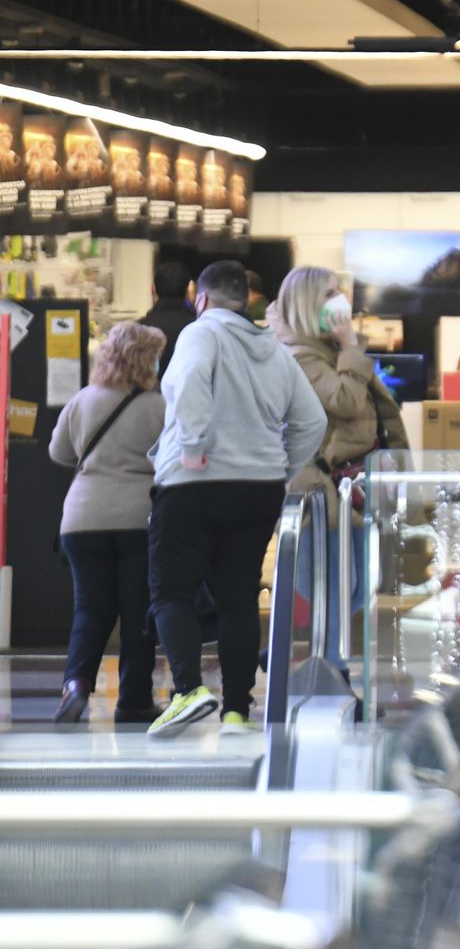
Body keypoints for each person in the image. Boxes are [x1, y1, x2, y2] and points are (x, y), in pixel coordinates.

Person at [145, 261, 328, 737]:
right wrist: (281, 467)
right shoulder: (275, 350)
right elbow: (312, 421)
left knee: (170, 591)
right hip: (258, 489)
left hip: (193, 485)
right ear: (247, 300)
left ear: (199, 298)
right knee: (238, 600)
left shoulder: (200, 334)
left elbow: (187, 386)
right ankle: (236, 710)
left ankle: (187, 690)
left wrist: (192, 448)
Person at [267, 266, 409, 660]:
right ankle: (333, 672)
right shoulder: (299, 355)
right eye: (330, 293)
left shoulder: (327, 350)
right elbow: (345, 401)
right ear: (310, 302)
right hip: (322, 491)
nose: (340, 300)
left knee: (358, 584)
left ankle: (328, 662)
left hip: (353, 489)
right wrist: (351, 343)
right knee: (332, 588)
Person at [47, 322, 168, 725]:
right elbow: (170, 458)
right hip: (138, 518)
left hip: (82, 518)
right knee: (138, 613)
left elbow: (59, 453)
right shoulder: (159, 405)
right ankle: (133, 700)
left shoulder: (82, 400)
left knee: (90, 609)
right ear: (147, 359)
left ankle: (76, 685)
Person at [140, 261, 194, 377]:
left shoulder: (138, 329)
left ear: (153, 289)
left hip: (146, 394)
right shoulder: (199, 328)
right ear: (188, 291)